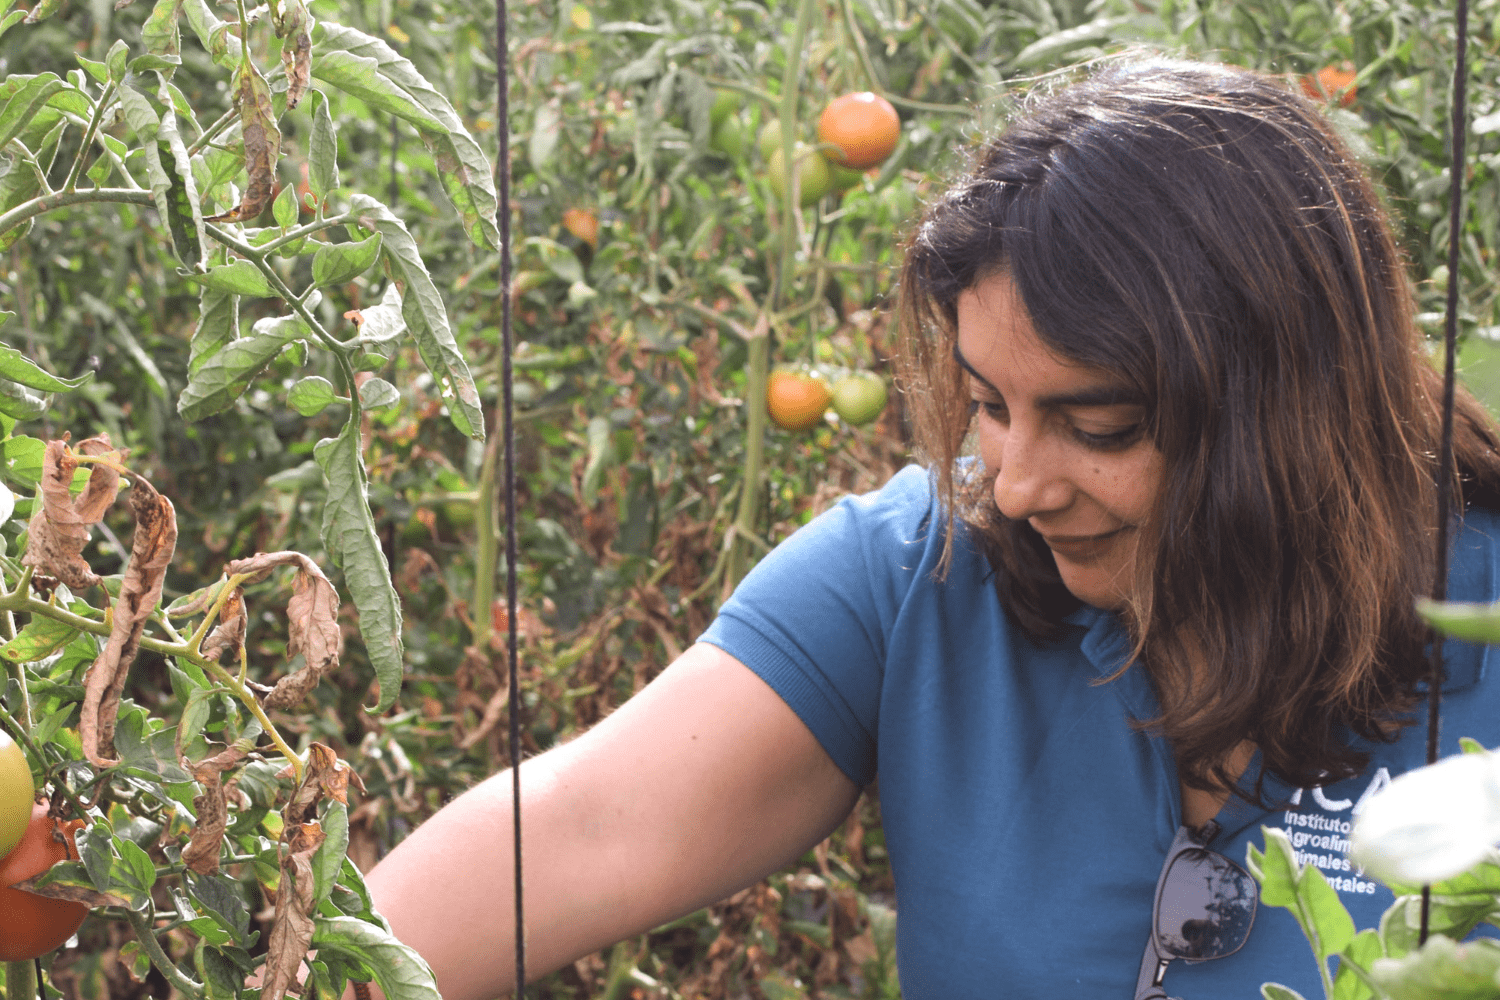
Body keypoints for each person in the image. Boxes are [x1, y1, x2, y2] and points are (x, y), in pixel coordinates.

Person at [357, 58, 1500, 998]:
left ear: (1288, 409)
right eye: (992, 405)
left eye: (1098, 425)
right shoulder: (926, 572)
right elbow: (581, 828)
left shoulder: (1479, 626)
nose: (1016, 484)